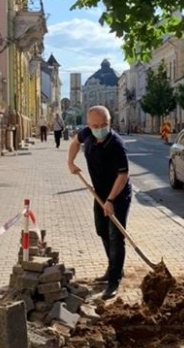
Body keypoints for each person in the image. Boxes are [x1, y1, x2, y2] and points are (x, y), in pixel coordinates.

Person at [67, 105, 131, 300]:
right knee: (102, 230)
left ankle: (114, 281)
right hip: (99, 194)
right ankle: (114, 268)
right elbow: (74, 143)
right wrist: (70, 162)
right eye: (95, 125)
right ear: (89, 124)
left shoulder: (116, 144)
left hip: (118, 195)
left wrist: (111, 200)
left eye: (104, 124)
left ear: (109, 123)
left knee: (115, 236)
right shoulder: (87, 133)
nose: (99, 128)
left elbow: (123, 175)